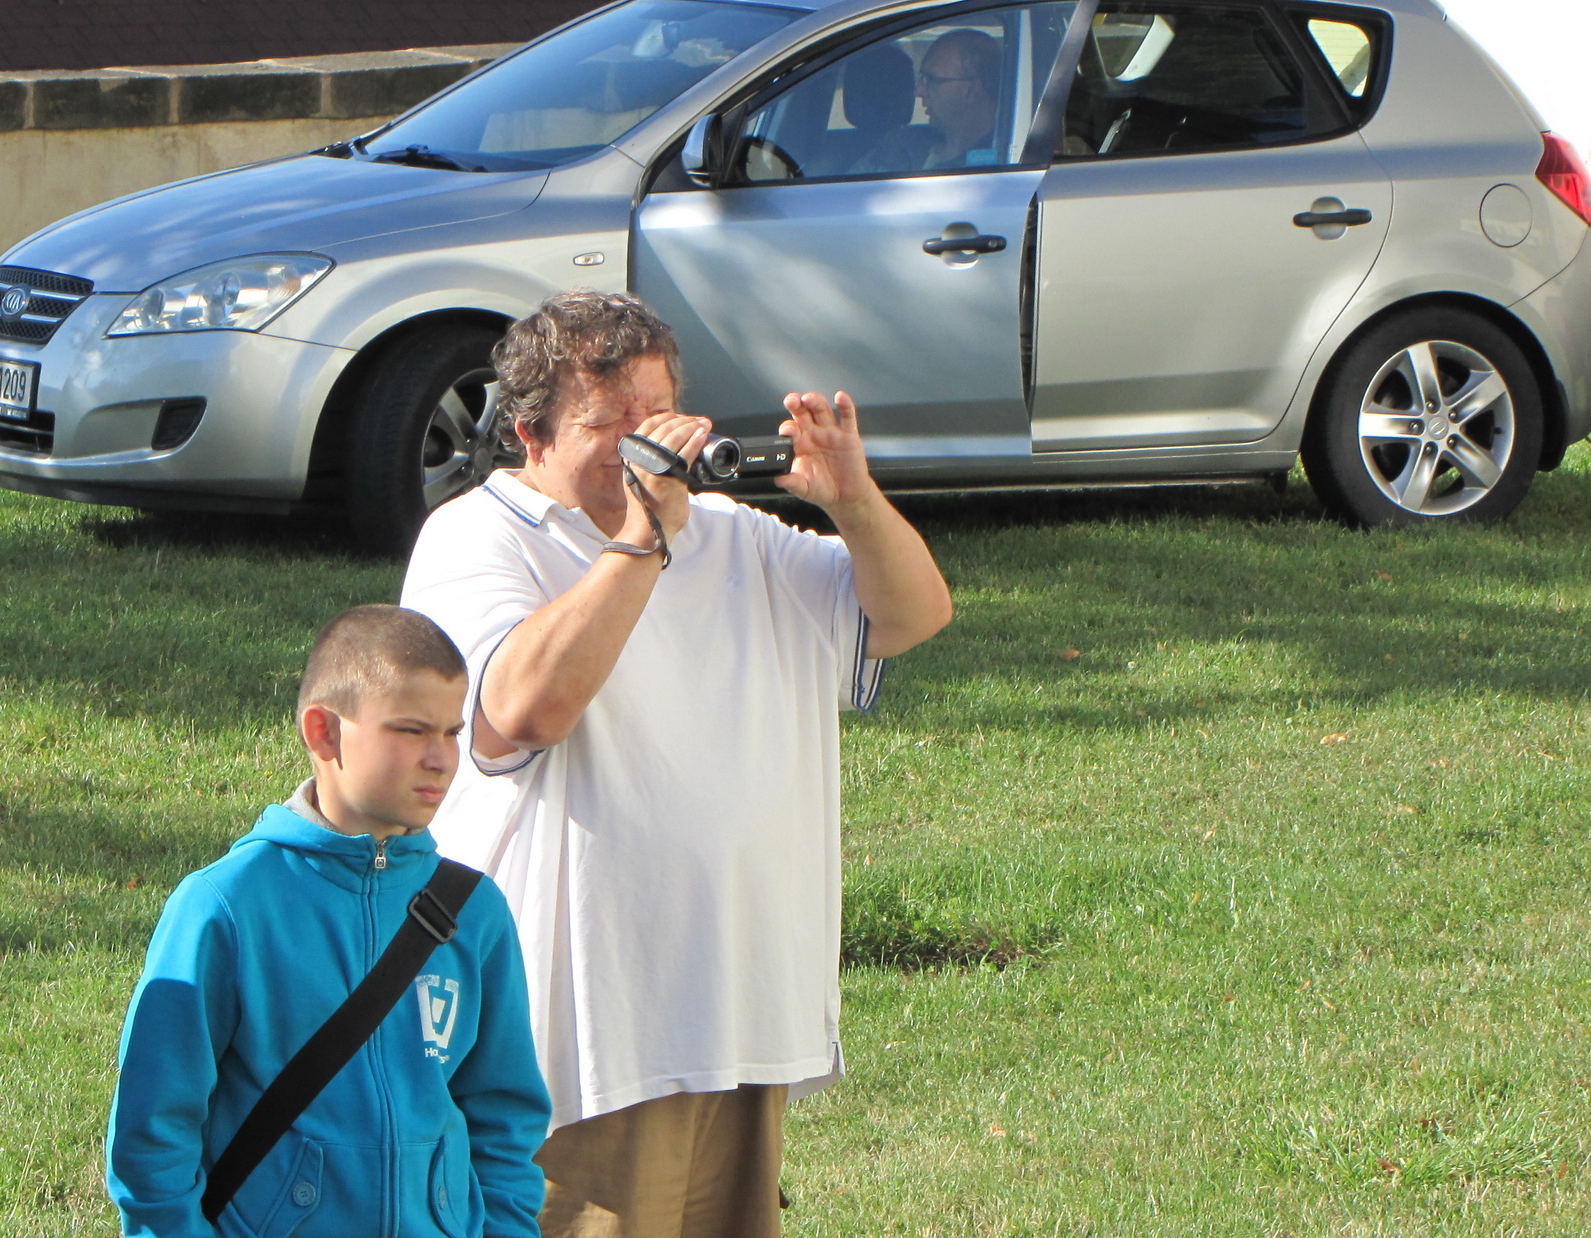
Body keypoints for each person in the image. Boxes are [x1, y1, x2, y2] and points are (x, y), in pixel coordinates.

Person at [400, 291, 952, 1238]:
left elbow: (912, 616)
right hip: (585, 1044)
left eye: (656, 416)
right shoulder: (476, 537)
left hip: (740, 1016)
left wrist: (855, 504)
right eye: (609, 425)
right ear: (529, 435)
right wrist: (642, 537)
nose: (646, 446)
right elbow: (523, 710)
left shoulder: (735, 534)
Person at [107, 605, 551, 1238]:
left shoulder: (473, 912)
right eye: (411, 731)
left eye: (452, 732)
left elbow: (505, 1119)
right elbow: (152, 1135)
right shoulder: (227, 906)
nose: (441, 759)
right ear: (323, 733)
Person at [864, 28, 1005, 171]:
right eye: (921, 78)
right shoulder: (900, 145)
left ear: (971, 90)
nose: (918, 91)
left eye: (931, 80)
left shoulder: (1003, 160)